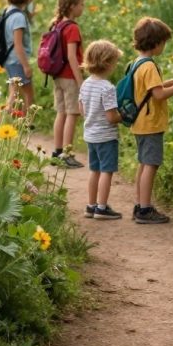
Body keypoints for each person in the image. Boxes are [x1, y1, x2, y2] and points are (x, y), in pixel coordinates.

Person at [130, 16, 173, 224]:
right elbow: (158, 95)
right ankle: (145, 209)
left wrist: (168, 82)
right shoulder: (149, 66)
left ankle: (140, 204)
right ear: (156, 43)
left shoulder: (137, 63)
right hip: (150, 124)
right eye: (164, 43)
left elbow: (147, 91)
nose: (164, 47)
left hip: (140, 121)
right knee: (151, 164)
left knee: (143, 163)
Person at [79, 40, 123, 220]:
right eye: (114, 61)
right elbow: (111, 117)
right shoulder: (108, 87)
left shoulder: (86, 84)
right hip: (106, 136)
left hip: (91, 135)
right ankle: (102, 208)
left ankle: (91, 205)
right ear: (107, 63)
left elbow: (81, 108)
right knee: (107, 171)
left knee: (95, 170)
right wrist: (124, 116)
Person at [50, 0, 85, 167]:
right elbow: (72, 56)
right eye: (81, 4)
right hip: (70, 76)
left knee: (61, 112)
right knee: (73, 113)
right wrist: (80, 81)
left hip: (57, 75)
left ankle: (57, 151)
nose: (82, 8)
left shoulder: (57, 23)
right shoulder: (72, 28)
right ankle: (67, 154)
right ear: (72, 6)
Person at [2, 0, 36, 114]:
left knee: (14, 93)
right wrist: (26, 66)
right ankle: (25, 125)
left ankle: (7, 121)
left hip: (9, 59)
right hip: (17, 61)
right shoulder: (19, 17)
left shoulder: (7, 11)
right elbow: (18, 44)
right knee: (28, 95)